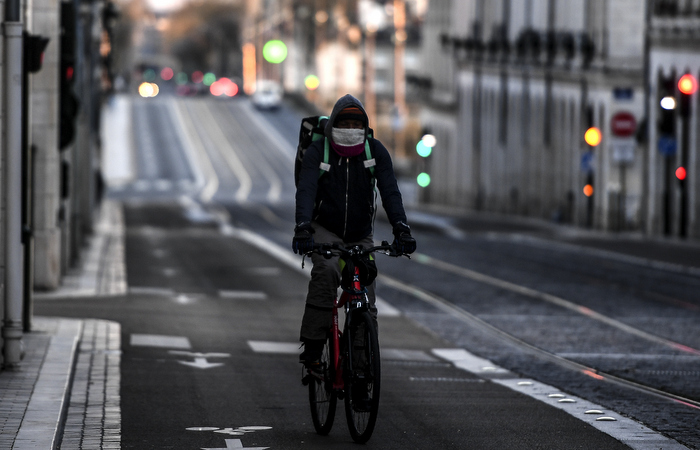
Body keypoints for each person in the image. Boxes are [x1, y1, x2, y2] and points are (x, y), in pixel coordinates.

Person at [292, 94, 416, 370]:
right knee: (326, 272)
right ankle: (313, 347)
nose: (350, 130)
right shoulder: (319, 151)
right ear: (333, 124)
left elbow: (390, 192)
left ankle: (361, 373)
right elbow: (306, 190)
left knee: (366, 299)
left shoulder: (375, 151)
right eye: (344, 124)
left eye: (355, 125)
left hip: (361, 235)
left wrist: (402, 228)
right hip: (325, 228)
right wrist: (302, 228)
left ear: (365, 127)